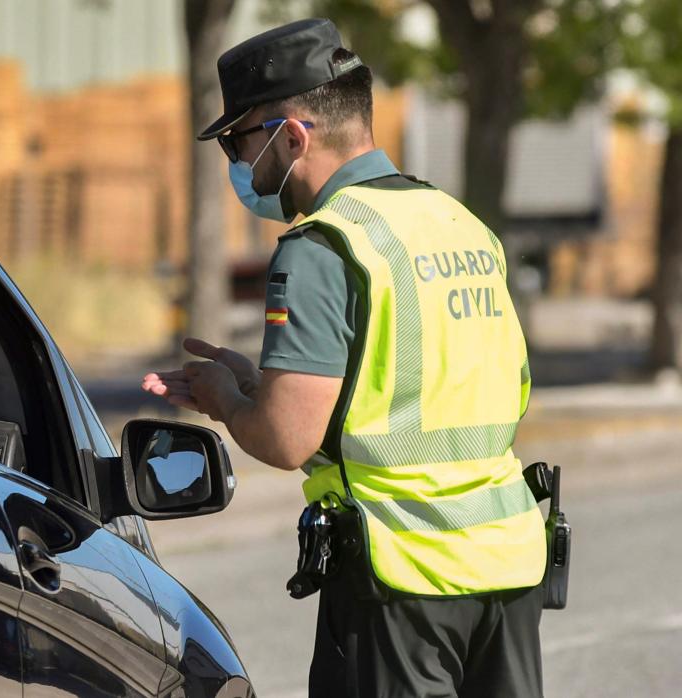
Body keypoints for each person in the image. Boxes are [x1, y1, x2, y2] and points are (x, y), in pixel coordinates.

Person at [142, 18, 546, 697]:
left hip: (401, 583)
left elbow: (285, 435)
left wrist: (225, 399)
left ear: (292, 136)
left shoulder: (324, 247)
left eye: (241, 141)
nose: (240, 166)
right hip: (508, 566)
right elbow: (420, 390)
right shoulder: (460, 223)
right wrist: (254, 381)